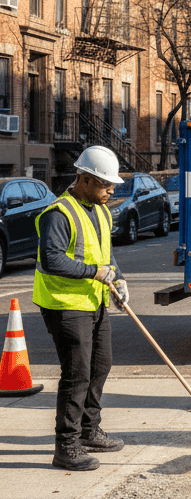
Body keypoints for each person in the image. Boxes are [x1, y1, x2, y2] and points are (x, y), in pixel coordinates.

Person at [33, 146, 130, 471]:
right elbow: (53, 259)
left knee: (101, 364)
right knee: (77, 374)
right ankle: (67, 445)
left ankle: (90, 430)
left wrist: (117, 279)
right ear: (85, 179)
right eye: (105, 184)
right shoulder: (59, 213)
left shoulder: (101, 210)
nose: (111, 190)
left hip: (95, 300)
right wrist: (94, 273)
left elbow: (105, 254)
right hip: (64, 305)